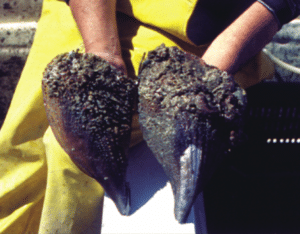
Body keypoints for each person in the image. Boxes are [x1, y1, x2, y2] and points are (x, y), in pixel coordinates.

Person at [0, 0, 299, 233]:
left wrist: (206, 74)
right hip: (88, 10)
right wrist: (103, 55)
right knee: (25, 147)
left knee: (64, 160)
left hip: (207, 28)